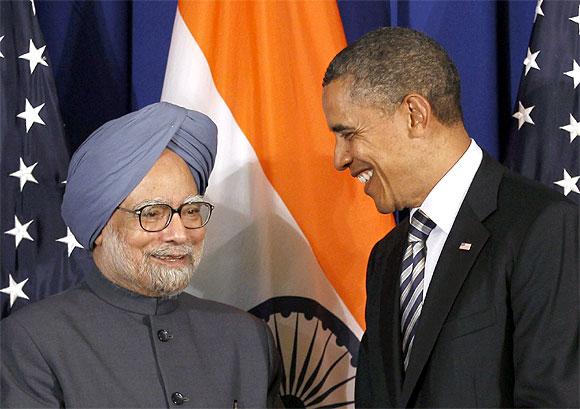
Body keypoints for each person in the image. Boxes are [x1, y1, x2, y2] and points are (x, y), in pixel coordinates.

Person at [321, 27, 578, 408]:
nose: (339, 158)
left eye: (348, 133)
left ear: (414, 114)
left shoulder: (541, 226)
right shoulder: (388, 257)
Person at [0, 102, 281, 408]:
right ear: (102, 227)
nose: (179, 233)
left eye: (190, 211)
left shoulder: (248, 339)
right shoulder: (33, 342)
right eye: (152, 213)